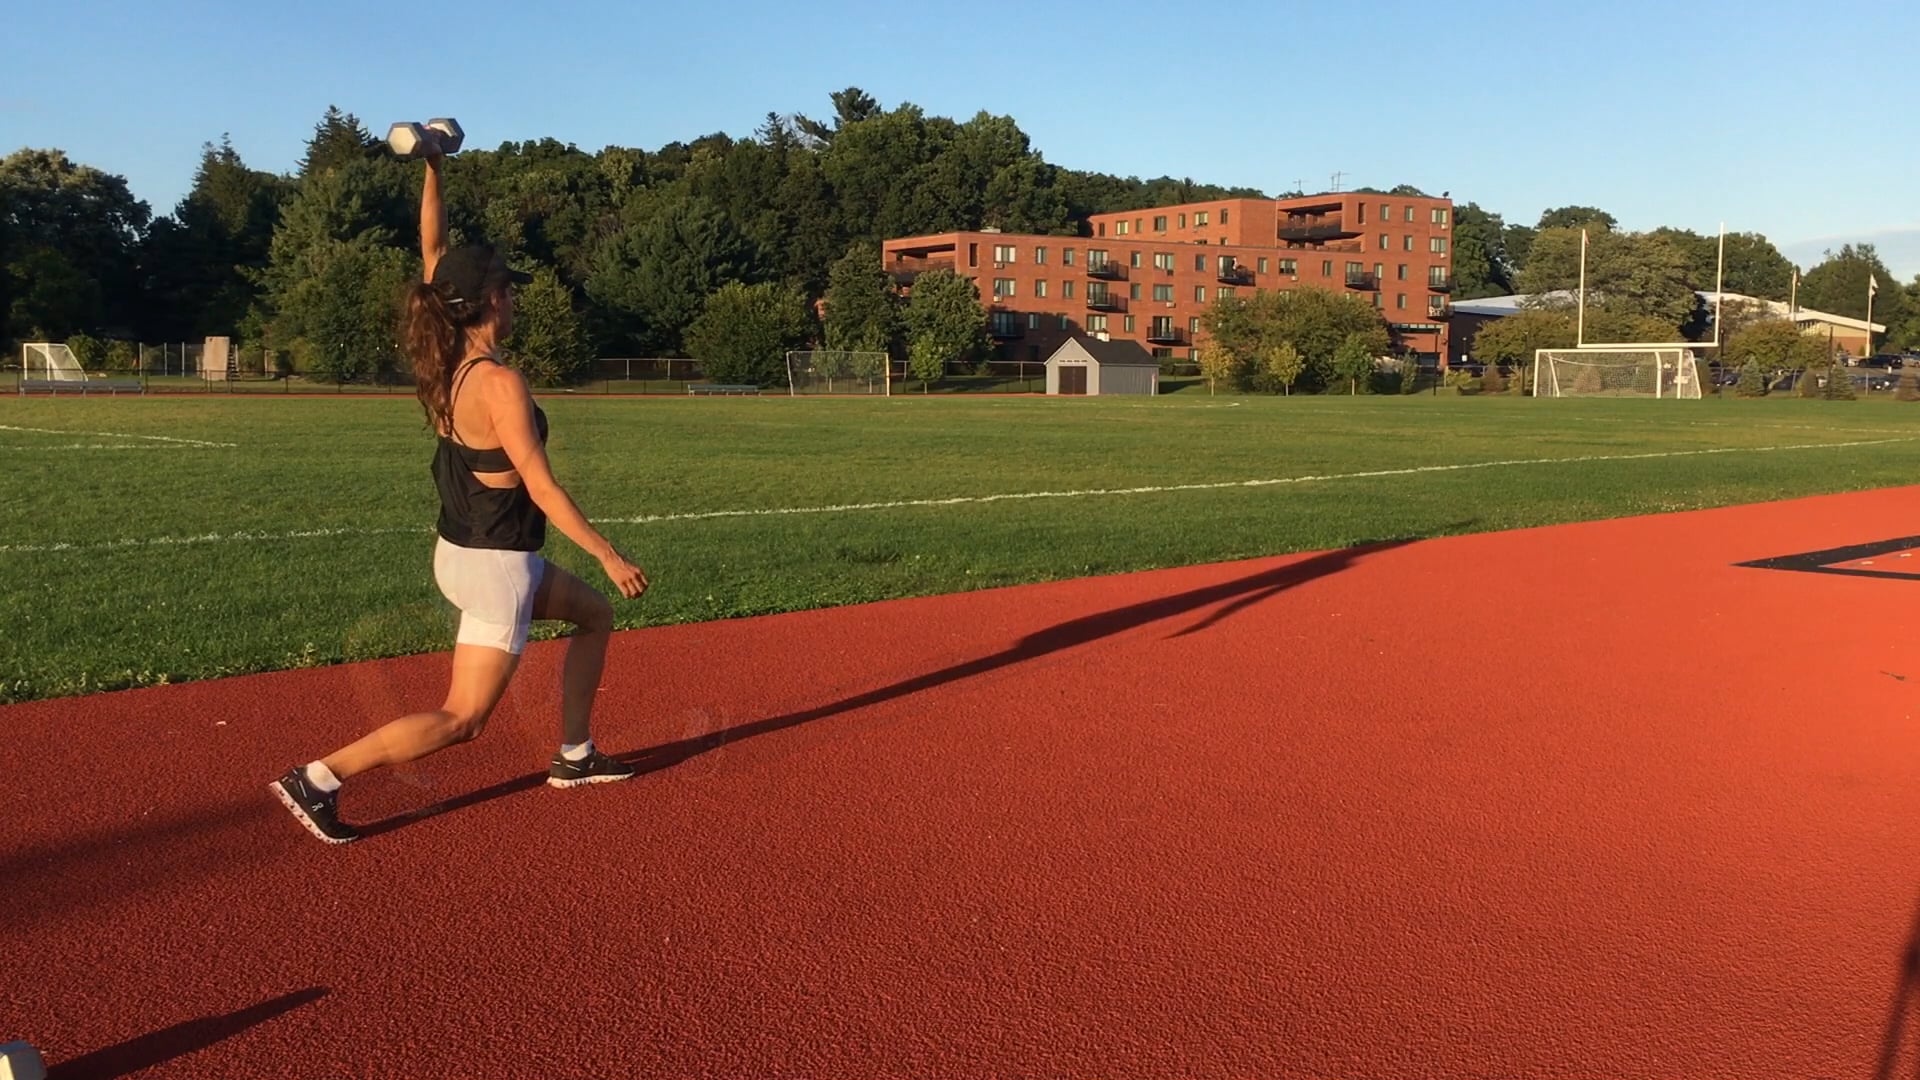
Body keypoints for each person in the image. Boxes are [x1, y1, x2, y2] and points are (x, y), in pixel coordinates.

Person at [270, 138, 649, 844]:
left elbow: (431, 244)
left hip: (467, 551)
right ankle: (318, 778)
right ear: (487, 303)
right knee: (462, 720)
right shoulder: (501, 384)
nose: (515, 301)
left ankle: (575, 754)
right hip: (496, 565)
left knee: (593, 616)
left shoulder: (444, 351)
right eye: (508, 292)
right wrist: (607, 552)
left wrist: (434, 167)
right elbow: (540, 486)